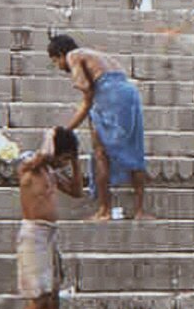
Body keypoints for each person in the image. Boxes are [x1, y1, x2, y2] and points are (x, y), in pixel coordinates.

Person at [47, 35, 150, 221]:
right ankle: (140, 211)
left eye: (55, 61)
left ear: (61, 54)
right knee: (135, 151)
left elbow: (86, 96)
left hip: (110, 94)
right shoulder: (95, 55)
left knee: (100, 153)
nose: (59, 66)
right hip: (129, 93)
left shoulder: (73, 56)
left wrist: (64, 131)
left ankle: (105, 210)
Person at [12, 127, 83, 309]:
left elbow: (77, 191)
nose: (63, 162)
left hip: (50, 236)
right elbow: (43, 154)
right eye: (63, 157)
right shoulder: (30, 167)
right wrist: (51, 137)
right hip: (34, 236)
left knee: (53, 301)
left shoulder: (52, 173)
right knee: (38, 300)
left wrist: (74, 161)